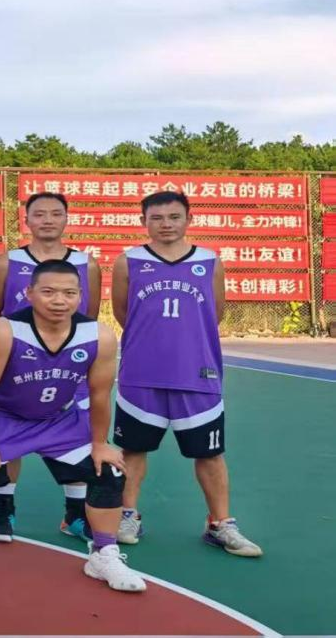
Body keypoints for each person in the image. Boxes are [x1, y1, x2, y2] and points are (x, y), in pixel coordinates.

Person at [0, 260, 145, 593]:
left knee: (109, 471)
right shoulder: (5, 330)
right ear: (29, 293)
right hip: (6, 419)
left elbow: (100, 394)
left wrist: (100, 443)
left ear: (81, 296)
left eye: (69, 293)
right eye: (49, 292)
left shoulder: (98, 335)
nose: (59, 300)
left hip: (60, 421)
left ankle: (103, 554)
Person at [111, 192, 262, 557]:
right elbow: (122, 313)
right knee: (133, 449)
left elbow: (214, 313)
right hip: (141, 374)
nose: (166, 224)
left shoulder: (209, 261)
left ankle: (220, 523)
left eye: (174, 217)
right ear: (144, 221)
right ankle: (127, 516)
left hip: (198, 374)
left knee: (209, 453)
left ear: (188, 219)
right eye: (157, 217)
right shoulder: (128, 261)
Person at [0, 191, 102, 542]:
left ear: (66, 219)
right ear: (27, 220)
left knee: (79, 436)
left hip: (69, 367)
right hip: (17, 368)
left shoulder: (86, 264)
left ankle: (74, 515)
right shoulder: (6, 263)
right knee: (8, 437)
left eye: (55, 213)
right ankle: (3, 509)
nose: (48, 220)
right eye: (39, 214)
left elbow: (89, 317)